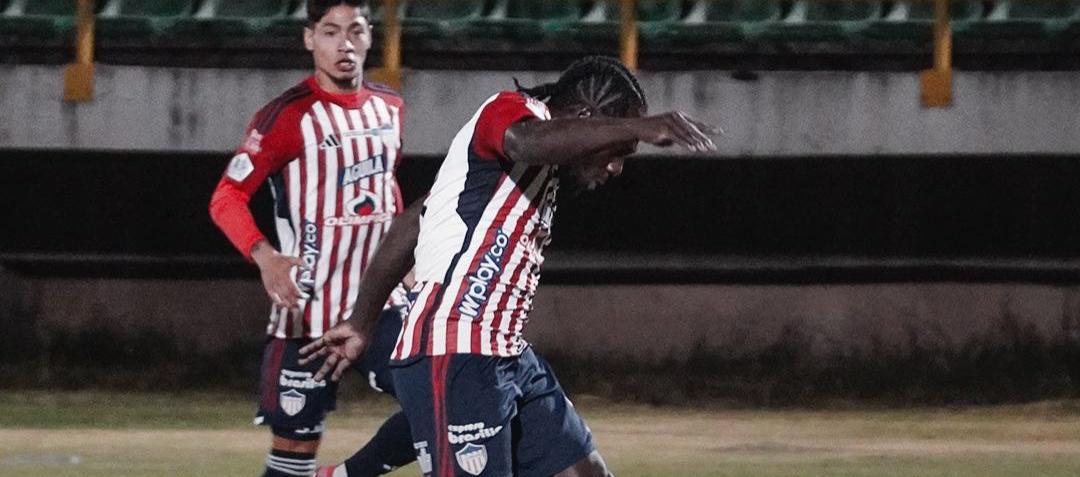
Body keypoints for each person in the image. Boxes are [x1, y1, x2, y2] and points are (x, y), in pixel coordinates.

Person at [302, 56, 717, 476]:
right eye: (618, 151)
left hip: (506, 354)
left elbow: (412, 221)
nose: (616, 166)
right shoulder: (509, 112)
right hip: (455, 348)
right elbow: (524, 141)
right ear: (585, 119)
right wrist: (637, 127)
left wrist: (360, 324)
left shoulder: (510, 176)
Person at [208, 1, 415, 475]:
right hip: (308, 318)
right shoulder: (285, 117)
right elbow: (226, 197)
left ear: (369, 37)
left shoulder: (391, 108)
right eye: (330, 32)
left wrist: (409, 259)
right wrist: (265, 256)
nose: (344, 44)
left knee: (440, 402)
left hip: (380, 309)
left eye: (356, 31)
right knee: (290, 462)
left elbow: (387, 190)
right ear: (309, 39)